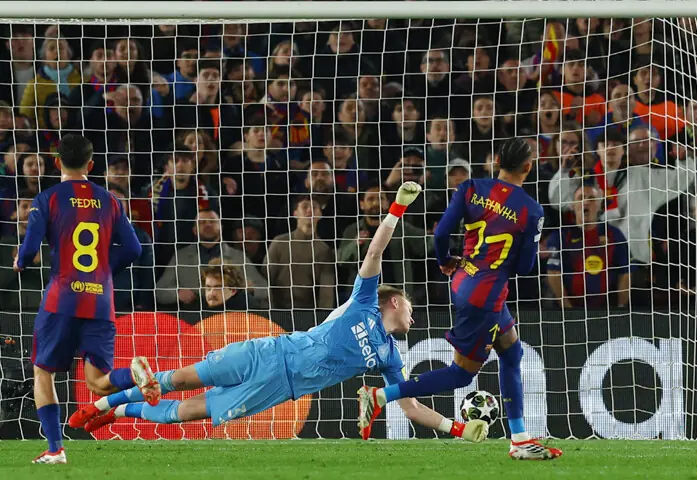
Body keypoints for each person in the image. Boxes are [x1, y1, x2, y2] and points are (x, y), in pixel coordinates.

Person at [68, 182, 490, 446]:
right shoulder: (363, 300)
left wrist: (457, 429)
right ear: (393, 302)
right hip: (267, 351)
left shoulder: (390, 356)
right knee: (179, 379)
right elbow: (375, 249)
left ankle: (116, 412)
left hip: (278, 386)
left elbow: (412, 407)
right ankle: (104, 400)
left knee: (187, 412)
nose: (414, 318)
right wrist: (396, 209)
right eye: (411, 309)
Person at [357, 139, 562, 461]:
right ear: (528, 167)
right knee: (461, 374)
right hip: (487, 295)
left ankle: (520, 437)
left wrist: (444, 261)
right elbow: (524, 267)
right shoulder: (532, 210)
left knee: (512, 352)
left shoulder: (470, 188)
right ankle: (380, 395)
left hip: (463, 280)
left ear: (496, 161)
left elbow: (440, 234)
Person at [14, 135, 155, 464]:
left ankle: (55, 449)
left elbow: (30, 249)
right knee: (98, 384)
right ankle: (134, 375)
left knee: (42, 372)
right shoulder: (111, 200)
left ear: (56, 162)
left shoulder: (47, 198)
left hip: (61, 300)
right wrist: (104, 271)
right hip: (100, 301)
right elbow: (135, 249)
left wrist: (20, 261)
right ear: (91, 165)